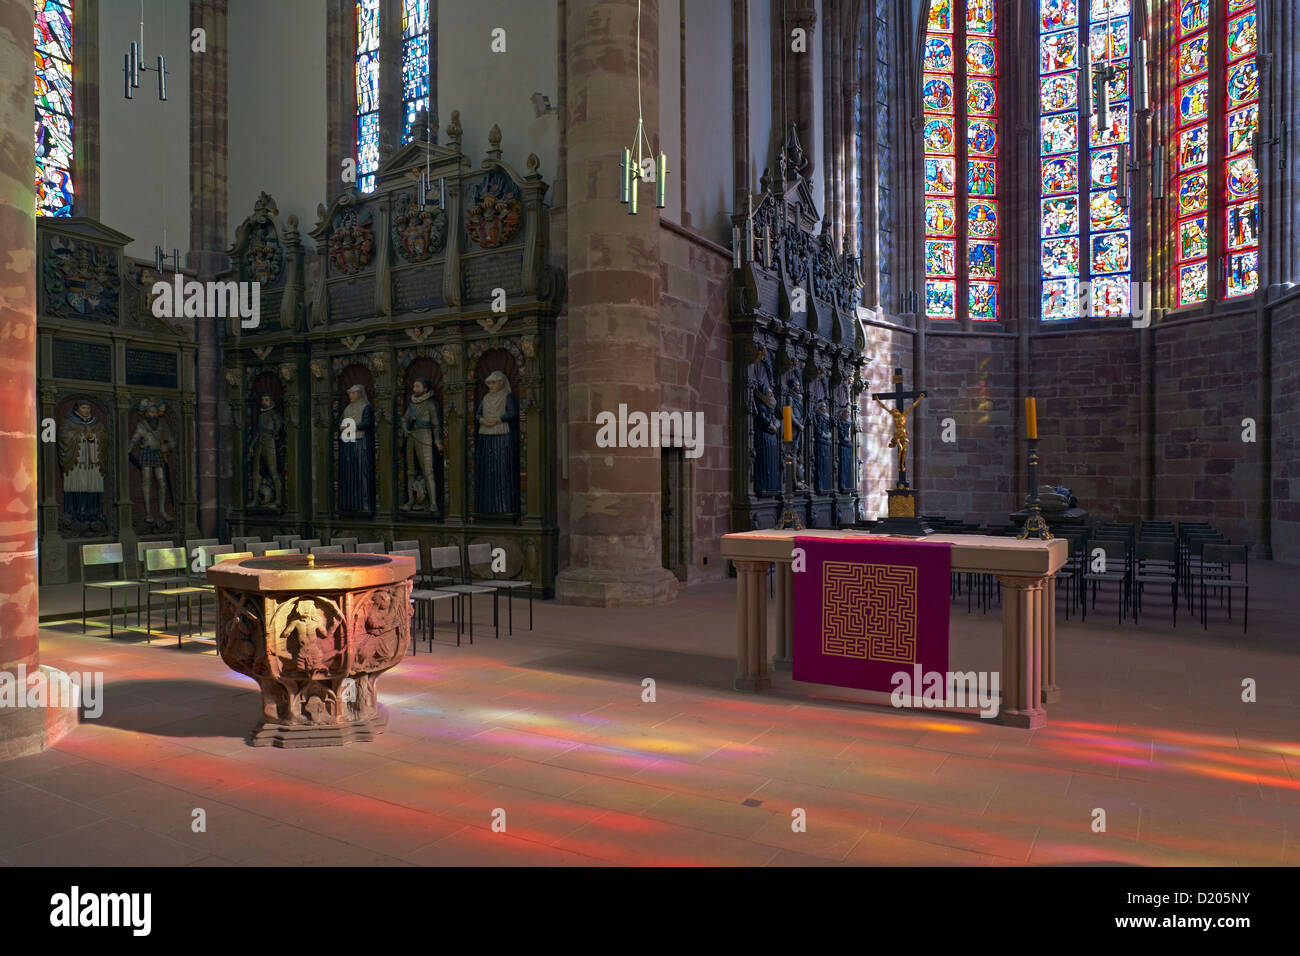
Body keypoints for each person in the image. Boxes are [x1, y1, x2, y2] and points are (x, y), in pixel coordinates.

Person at [474, 370, 520, 516]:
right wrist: (482, 421)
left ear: (501, 383)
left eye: (494, 382)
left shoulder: (507, 396)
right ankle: (487, 507)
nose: (491, 385)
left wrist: (498, 419)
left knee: (502, 468)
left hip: (501, 435)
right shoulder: (486, 398)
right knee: (488, 470)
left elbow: (513, 412)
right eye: (489, 383)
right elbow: (477, 414)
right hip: (486, 435)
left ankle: (503, 506)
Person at [58, 400, 107, 524]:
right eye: (84, 408)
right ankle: (76, 513)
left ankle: (93, 513)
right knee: (77, 486)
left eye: (88, 408)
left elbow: (104, 437)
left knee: (92, 486)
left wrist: (94, 437)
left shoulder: (96, 424)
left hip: (93, 461)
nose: (87, 410)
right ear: (77, 409)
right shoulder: (68, 422)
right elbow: (63, 436)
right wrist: (81, 436)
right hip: (77, 462)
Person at [401, 378, 443, 513]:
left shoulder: (430, 404)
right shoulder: (412, 405)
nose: (414, 389)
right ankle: (410, 501)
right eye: (414, 386)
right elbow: (404, 419)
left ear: (425, 389)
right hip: (411, 437)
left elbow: (436, 424)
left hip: (425, 436)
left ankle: (433, 503)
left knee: (428, 471)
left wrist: (437, 441)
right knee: (410, 472)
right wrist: (406, 429)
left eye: (417, 386)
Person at [339, 383, 376, 514]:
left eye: (353, 393)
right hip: (348, 442)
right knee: (349, 473)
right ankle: (349, 504)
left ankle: (364, 504)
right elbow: (341, 423)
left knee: (362, 473)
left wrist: (351, 427)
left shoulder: (366, 407)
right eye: (349, 393)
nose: (351, 395)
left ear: (359, 394)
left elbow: (367, 423)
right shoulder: (347, 408)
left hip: (361, 442)